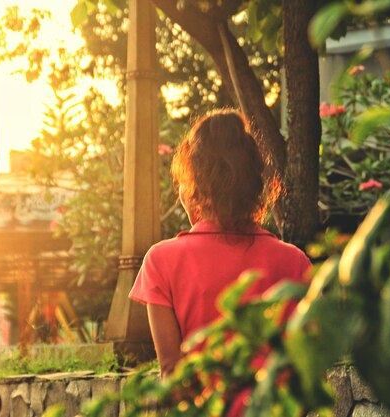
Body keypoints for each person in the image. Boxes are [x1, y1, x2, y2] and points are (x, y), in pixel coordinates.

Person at [129, 109, 311, 412]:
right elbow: (302, 371)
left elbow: (172, 374)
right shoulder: (295, 263)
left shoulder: (161, 261)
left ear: (194, 188)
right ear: (255, 185)